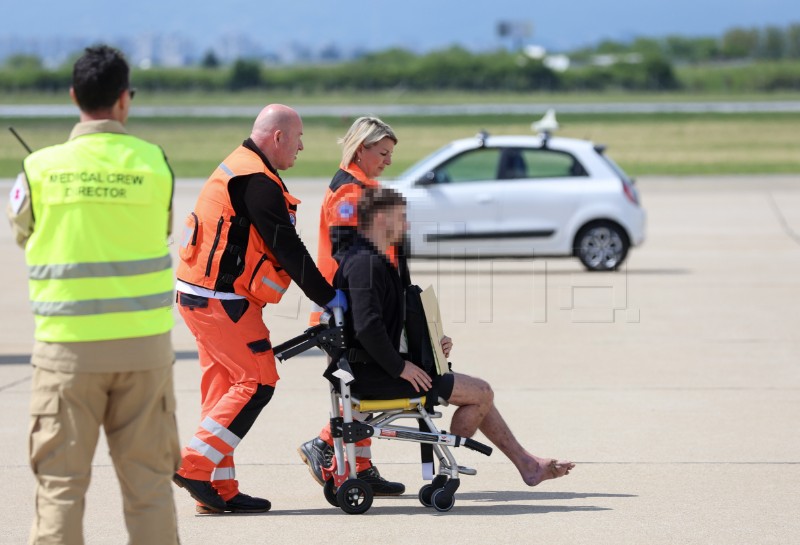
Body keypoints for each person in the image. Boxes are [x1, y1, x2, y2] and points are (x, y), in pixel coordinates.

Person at [8, 45, 181, 544]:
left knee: (61, 489)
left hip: (67, 352)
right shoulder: (155, 164)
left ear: (73, 97)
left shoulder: (39, 170)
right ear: (125, 100)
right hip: (144, 351)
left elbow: (24, 235)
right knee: (149, 489)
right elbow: (161, 227)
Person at [333, 187, 575, 488]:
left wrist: (433, 342)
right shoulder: (365, 264)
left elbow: (391, 323)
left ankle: (527, 464)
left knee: (479, 394)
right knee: (482, 392)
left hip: (380, 368)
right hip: (379, 375)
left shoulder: (372, 259)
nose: (406, 225)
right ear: (382, 218)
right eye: (402, 217)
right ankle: (450, 469)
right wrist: (401, 367)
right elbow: (367, 327)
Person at [172, 104, 347, 514]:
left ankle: (218, 492)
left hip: (199, 297)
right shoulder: (257, 181)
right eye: (299, 138)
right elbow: (288, 249)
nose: (302, 146)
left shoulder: (241, 167)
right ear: (278, 137)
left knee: (222, 393)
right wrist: (330, 298)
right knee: (257, 381)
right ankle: (194, 466)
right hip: (222, 303)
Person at [297, 116, 405, 496]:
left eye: (391, 153)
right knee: (357, 389)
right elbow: (347, 252)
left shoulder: (365, 187)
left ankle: (361, 467)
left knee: (357, 389)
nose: (388, 160)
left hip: (362, 307)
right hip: (346, 311)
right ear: (362, 149)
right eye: (383, 152)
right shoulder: (347, 194)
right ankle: (324, 444)